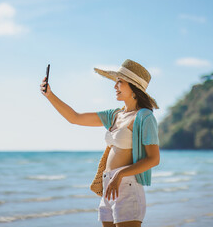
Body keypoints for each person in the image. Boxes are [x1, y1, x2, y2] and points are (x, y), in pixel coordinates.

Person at [40, 59, 160, 227]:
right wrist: (50, 95)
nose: (115, 86)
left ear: (134, 88)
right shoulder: (114, 114)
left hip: (127, 185)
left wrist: (120, 174)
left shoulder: (144, 117)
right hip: (108, 186)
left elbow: (153, 159)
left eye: (120, 82)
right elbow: (75, 118)